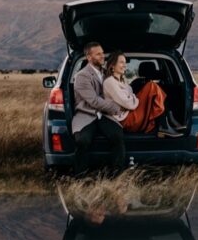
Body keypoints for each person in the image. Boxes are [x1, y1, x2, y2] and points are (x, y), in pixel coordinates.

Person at [72, 42, 126, 175]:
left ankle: (116, 174)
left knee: (117, 136)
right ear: (89, 57)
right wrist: (116, 108)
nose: (103, 56)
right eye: (98, 54)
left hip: (105, 115)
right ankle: (81, 176)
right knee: (83, 141)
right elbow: (94, 101)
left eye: (102, 53)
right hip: (87, 115)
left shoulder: (106, 73)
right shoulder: (82, 76)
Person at [103, 51, 184, 137]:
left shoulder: (122, 82)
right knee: (151, 86)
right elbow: (129, 104)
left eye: (125, 62)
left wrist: (134, 97)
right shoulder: (109, 82)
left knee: (154, 90)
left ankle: (168, 121)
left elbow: (129, 99)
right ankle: (164, 124)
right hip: (126, 120)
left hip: (129, 114)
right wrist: (137, 98)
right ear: (112, 65)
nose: (125, 65)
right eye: (121, 62)